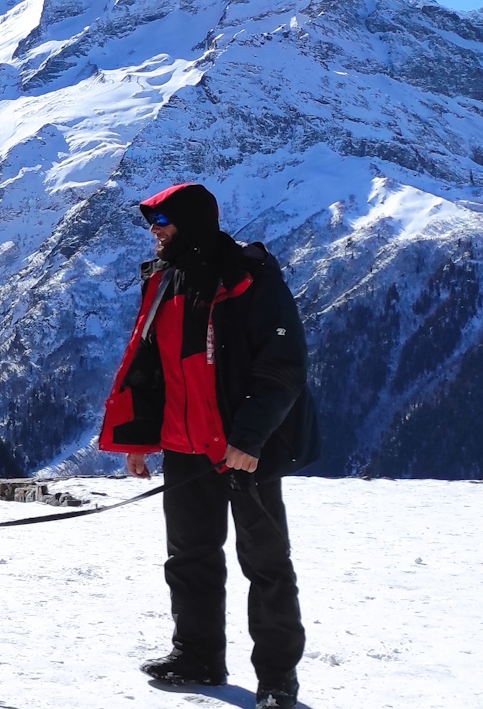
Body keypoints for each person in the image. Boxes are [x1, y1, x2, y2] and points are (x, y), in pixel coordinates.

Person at [99, 183, 321, 709]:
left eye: (164, 221)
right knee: (189, 558)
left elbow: (283, 367)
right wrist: (141, 441)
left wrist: (250, 439)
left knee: (265, 565)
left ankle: (276, 682)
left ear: (192, 222)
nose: (155, 231)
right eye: (152, 222)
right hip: (183, 446)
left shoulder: (249, 276)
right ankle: (197, 657)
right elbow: (152, 367)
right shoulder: (164, 280)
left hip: (242, 450)